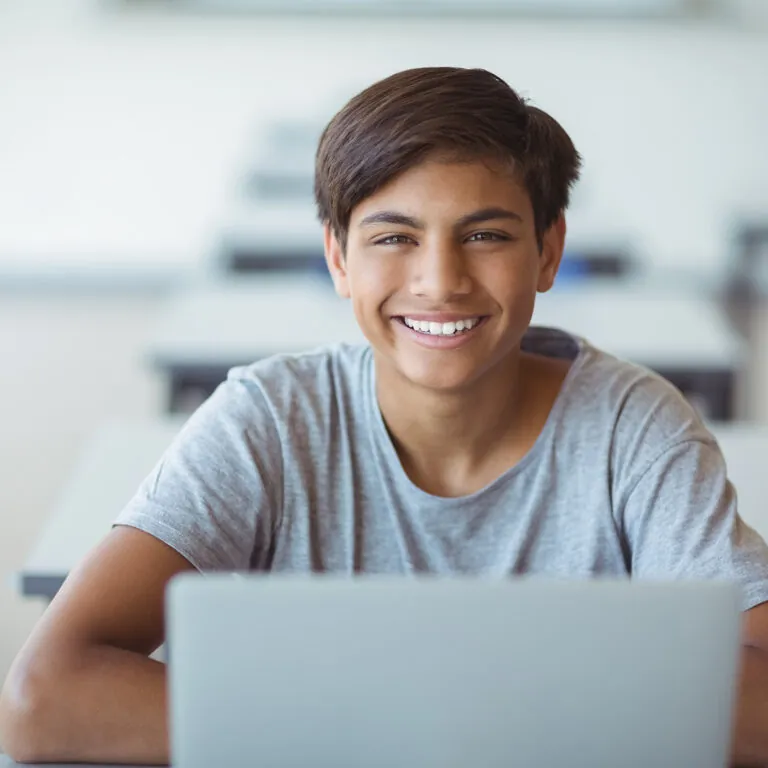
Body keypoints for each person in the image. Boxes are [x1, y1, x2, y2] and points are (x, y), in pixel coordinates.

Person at [2, 66, 768, 766]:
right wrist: (469, 724)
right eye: (394, 238)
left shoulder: (635, 429)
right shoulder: (267, 421)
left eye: (486, 235)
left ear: (547, 249)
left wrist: (381, 721)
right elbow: (41, 700)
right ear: (338, 256)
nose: (440, 280)